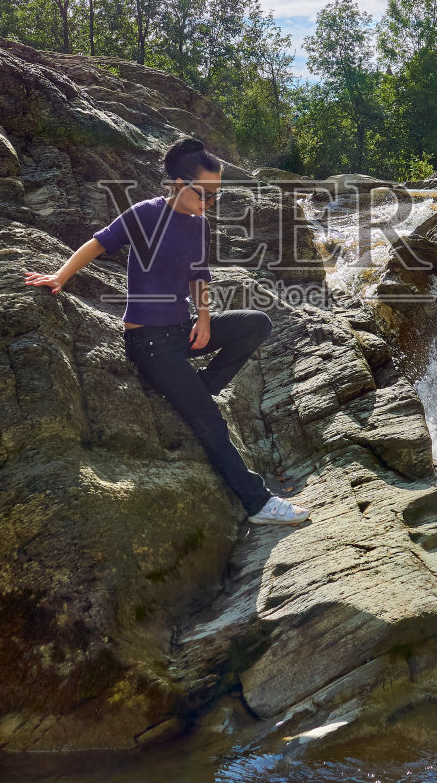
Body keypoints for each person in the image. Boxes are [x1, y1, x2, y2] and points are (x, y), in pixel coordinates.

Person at [23, 137, 311, 526]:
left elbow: (198, 275)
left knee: (257, 323)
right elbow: (98, 243)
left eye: (216, 195)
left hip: (183, 330)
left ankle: (204, 385)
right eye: (203, 193)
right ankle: (258, 505)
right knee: (209, 420)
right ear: (177, 184)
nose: (209, 201)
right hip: (150, 344)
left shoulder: (199, 224)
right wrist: (60, 276)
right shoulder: (145, 214)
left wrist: (205, 317)